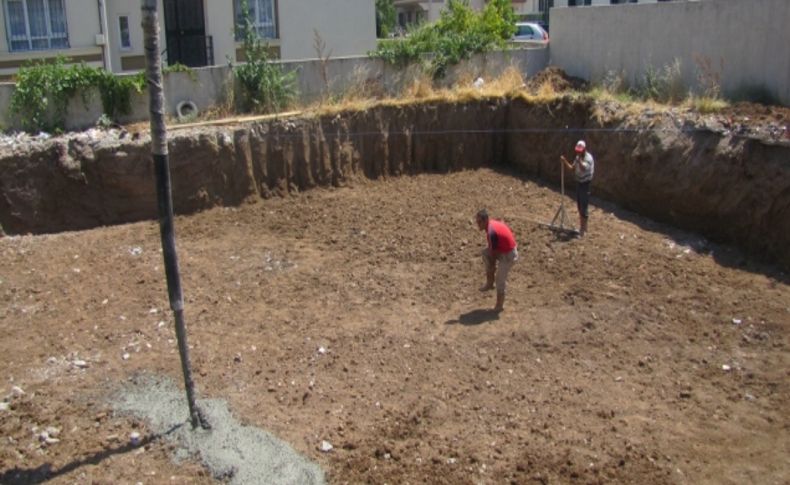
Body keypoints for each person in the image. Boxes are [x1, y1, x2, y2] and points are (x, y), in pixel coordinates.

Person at [476, 209, 518, 312]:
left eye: (479, 222)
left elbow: (493, 254)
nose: (478, 225)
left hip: (509, 255)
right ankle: (490, 283)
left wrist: (492, 268)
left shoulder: (491, 233)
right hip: (505, 250)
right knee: (485, 253)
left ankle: (499, 306)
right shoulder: (491, 224)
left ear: (486, 220)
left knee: (500, 279)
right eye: (477, 222)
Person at [561, 140, 595, 236]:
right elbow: (572, 168)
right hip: (579, 183)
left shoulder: (588, 159)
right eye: (577, 151)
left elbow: (584, 168)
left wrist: (579, 160)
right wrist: (565, 162)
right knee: (580, 206)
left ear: (584, 149)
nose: (578, 152)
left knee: (584, 206)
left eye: (580, 151)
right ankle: (583, 227)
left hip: (585, 184)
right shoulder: (578, 157)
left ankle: (583, 230)